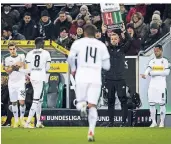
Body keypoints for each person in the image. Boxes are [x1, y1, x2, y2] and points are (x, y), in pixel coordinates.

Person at [68, 24, 110, 141]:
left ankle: (82, 107)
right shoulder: (101, 45)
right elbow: (107, 66)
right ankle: (91, 131)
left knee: (80, 102)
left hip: (81, 76)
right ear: (95, 33)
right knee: (93, 106)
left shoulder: (78, 43)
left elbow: (70, 58)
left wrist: (73, 69)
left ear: (85, 33)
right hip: (95, 78)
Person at [104, 24, 132, 127]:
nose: (114, 40)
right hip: (109, 79)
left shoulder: (122, 49)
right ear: (110, 40)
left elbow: (130, 41)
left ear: (118, 40)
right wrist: (103, 33)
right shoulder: (107, 50)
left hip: (120, 79)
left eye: (116, 39)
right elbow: (102, 43)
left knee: (123, 100)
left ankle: (124, 122)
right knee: (110, 101)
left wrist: (125, 31)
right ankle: (111, 123)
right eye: (112, 39)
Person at [21, 37, 51, 128]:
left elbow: (28, 69)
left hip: (33, 77)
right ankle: (27, 122)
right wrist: (41, 70)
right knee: (36, 100)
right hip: (40, 77)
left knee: (40, 101)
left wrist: (21, 70)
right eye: (43, 43)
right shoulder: (46, 53)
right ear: (41, 43)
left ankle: (38, 122)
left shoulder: (29, 53)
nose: (44, 45)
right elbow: (48, 68)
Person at [140, 44, 170, 127]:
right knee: (151, 104)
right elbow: (148, 70)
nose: (155, 53)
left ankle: (162, 122)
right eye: (154, 51)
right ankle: (153, 122)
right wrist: (145, 74)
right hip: (152, 86)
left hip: (161, 86)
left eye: (157, 51)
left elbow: (167, 72)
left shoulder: (165, 61)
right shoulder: (152, 61)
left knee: (162, 104)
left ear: (161, 50)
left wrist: (153, 73)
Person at [4, 42, 26, 128]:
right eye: (10, 49)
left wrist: (12, 66)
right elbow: (7, 71)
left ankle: (22, 119)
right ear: (8, 50)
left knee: (22, 102)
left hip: (21, 82)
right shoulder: (6, 58)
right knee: (13, 102)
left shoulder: (22, 56)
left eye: (13, 49)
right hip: (12, 83)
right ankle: (16, 121)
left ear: (16, 49)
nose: (12, 51)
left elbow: (23, 65)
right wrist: (15, 65)